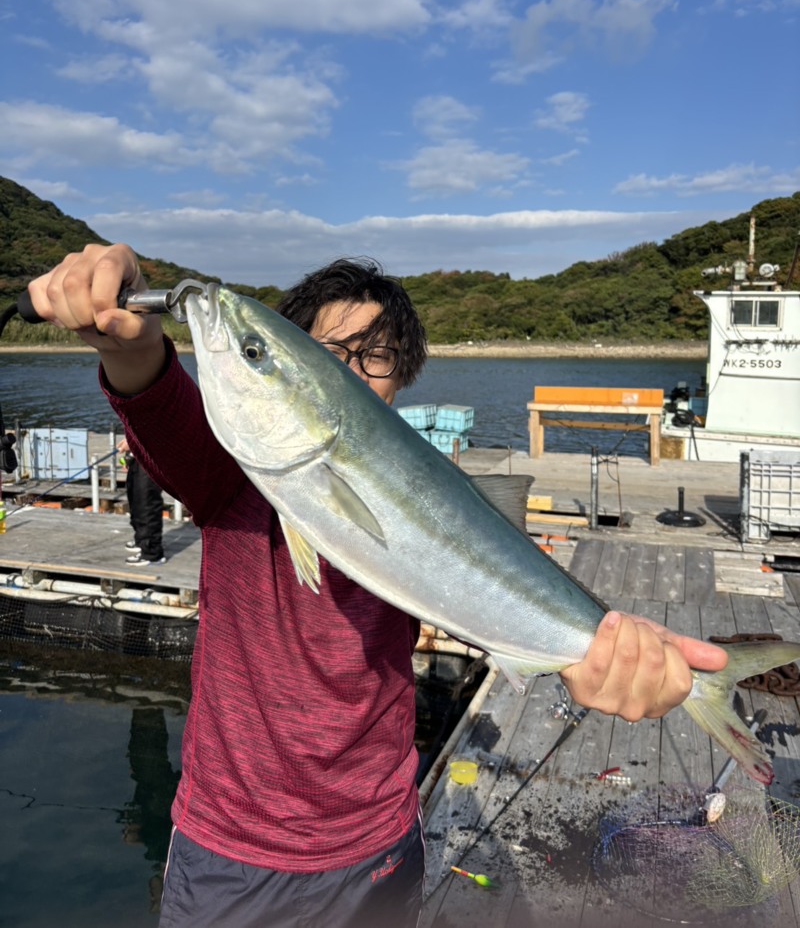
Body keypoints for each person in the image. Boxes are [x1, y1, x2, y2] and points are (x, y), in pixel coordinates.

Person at [27, 244, 728, 928]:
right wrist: (125, 342)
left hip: (379, 841)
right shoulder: (228, 480)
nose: (356, 370)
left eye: (378, 356)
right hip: (233, 846)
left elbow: (485, 590)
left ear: (401, 377)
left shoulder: (427, 481)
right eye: (330, 351)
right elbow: (151, 389)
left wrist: (596, 654)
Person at [118, 436, 166, 566]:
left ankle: (152, 552)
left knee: (147, 502)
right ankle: (141, 540)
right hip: (137, 456)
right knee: (136, 500)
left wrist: (133, 441)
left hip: (152, 457)